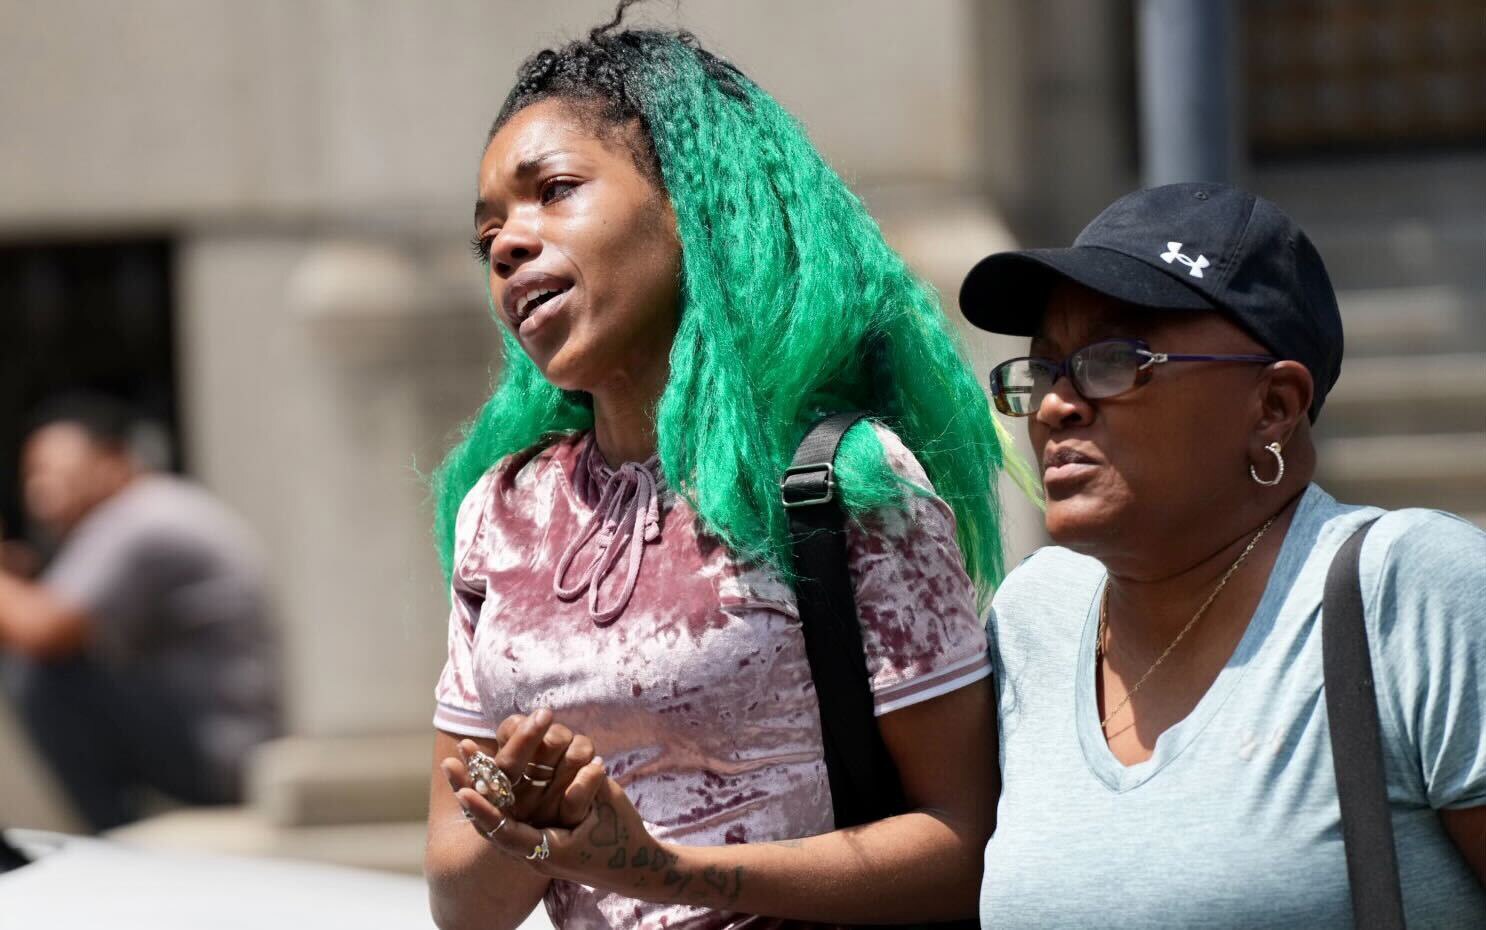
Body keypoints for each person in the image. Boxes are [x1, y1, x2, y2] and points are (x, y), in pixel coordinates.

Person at [423, 5, 1010, 929]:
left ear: (691, 204)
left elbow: (964, 846)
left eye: (556, 190)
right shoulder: (501, 513)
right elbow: (461, 906)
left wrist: (668, 870)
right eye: (487, 231)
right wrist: (525, 828)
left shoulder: (847, 482)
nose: (508, 242)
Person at [957, 182, 1486, 927]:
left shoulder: (1411, 591)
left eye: (1114, 360)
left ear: (1273, 407)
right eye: (1043, 370)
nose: (1053, 405)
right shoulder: (1033, 614)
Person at [0, 395, 280, 831]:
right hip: (223, 741)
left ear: (112, 460)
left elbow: (44, 629)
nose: (41, 492)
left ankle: (107, 831)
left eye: (58, 473)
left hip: (221, 751)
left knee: (39, 677)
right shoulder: (156, 508)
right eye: (33, 475)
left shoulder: (139, 519)